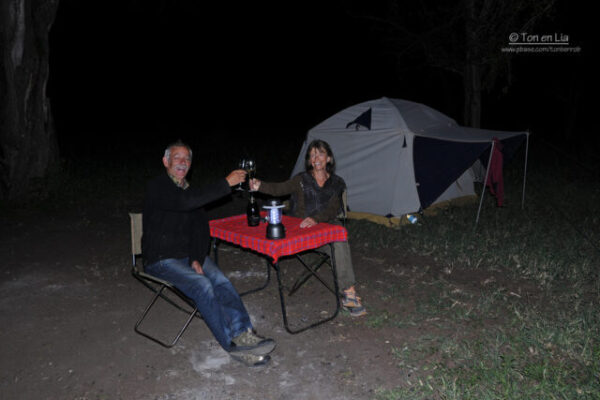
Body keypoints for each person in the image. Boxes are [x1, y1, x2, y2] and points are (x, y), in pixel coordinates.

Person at [142, 140, 275, 367]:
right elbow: (184, 203)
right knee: (202, 285)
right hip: (161, 259)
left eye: (187, 159)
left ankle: (244, 333)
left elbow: (200, 229)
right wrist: (225, 183)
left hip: (186, 256)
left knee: (220, 280)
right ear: (166, 161)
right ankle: (234, 346)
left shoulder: (190, 191)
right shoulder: (158, 187)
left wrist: (195, 257)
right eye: (177, 157)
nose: (183, 162)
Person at [250, 139, 366, 317]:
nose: (316, 158)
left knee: (339, 242)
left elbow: (333, 209)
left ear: (329, 158)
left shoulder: (337, 182)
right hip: (303, 232)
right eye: (312, 155)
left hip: (325, 228)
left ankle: (349, 293)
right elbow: (279, 188)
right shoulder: (301, 180)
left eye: (320, 153)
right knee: (338, 246)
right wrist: (260, 185)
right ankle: (348, 292)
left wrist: (316, 219)